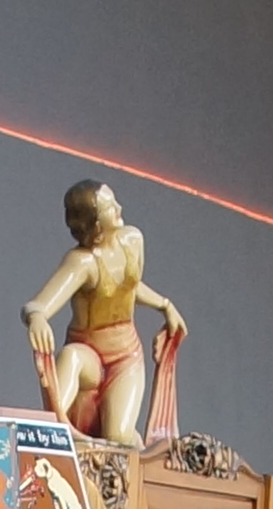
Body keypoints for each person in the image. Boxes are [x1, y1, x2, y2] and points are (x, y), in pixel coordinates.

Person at [24, 179, 187, 442]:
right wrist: (36, 318)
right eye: (111, 207)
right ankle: (52, 431)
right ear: (97, 224)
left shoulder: (133, 240)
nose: (119, 208)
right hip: (89, 352)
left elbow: (129, 288)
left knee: (118, 437)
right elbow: (39, 304)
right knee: (70, 357)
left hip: (125, 354)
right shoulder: (83, 262)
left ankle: (139, 455)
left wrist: (165, 305)